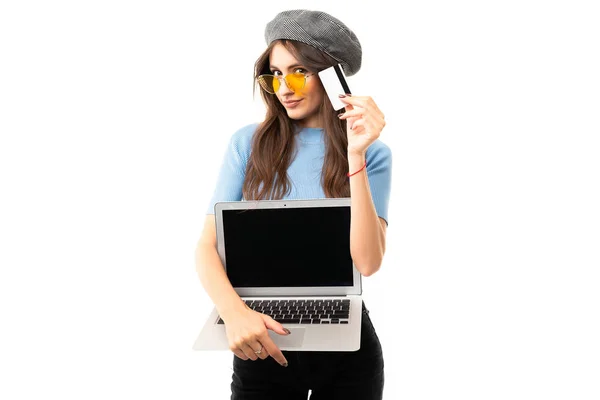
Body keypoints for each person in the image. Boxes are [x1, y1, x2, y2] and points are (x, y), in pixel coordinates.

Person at [195, 9, 392, 400]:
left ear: (331, 76)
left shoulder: (374, 153)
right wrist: (235, 314)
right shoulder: (247, 144)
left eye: (299, 71)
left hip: (348, 346)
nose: (284, 86)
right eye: (275, 73)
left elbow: (368, 263)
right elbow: (205, 247)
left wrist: (356, 157)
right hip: (260, 333)